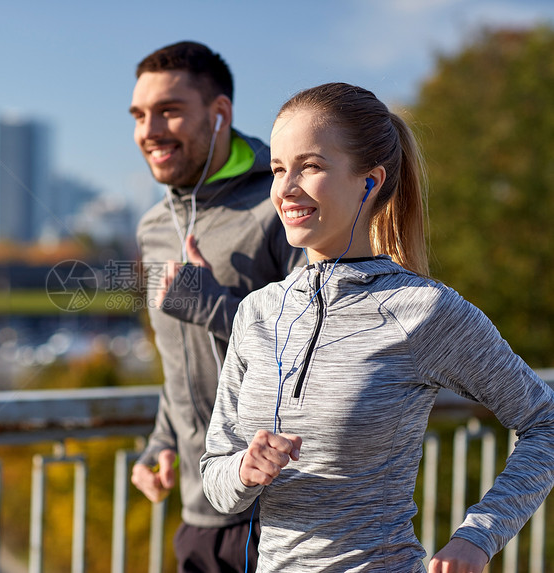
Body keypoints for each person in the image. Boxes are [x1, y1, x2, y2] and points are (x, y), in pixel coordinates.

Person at [200, 82, 554, 572]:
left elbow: (545, 422)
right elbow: (215, 480)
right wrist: (243, 470)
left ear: (370, 180)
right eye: (279, 169)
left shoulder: (424, 311)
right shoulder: (256, 312)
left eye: (311, 166)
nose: (285, 188)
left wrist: (480, 535)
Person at [128, 41, 301, 571]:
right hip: (198, 513)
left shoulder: (281, 206)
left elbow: (310, 353)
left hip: (277, 512)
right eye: (139, 115)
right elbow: (181, 365)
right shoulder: (155, 228)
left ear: (219, 113)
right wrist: (160, 443)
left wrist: (213, 307)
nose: (148, 130)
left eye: (170, 111)